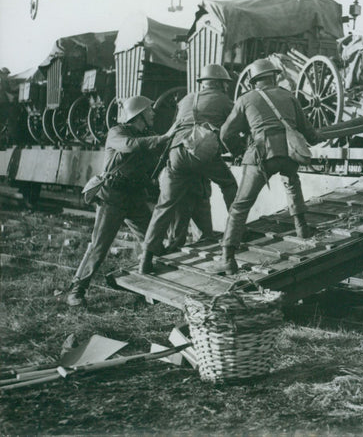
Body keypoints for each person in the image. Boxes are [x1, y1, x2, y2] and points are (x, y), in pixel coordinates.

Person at [214, 58, 319, 275]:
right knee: (291, 182)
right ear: (274, 77)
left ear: (253, 81)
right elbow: (308, 132)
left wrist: (238, 152)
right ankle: (302, 229)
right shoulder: (288, 96)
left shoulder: (246, 99)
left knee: (240, 205)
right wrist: (314, 137)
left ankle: (227, 257)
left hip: (261, 155)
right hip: (288, 153)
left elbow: (225, 133)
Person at [66, 96, 170, 306]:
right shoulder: (117, 132)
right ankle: (77, 289)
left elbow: (157, 150)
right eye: (149, 110)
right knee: (99, 246)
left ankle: (148, 282)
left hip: (135, 196)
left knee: (153, 240)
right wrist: (164, 137)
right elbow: (130, 146)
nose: (153, 113)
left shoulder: (147, 135)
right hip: (112, 196)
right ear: (138, 115)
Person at [138, 63, 238, 274]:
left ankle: (145, 258)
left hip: (177, 152)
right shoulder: (223, 100)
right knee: (229, 184)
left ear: (203, 83)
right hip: (202, 152)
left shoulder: (186, 99)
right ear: (220, 83)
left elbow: (177, 126)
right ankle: (237, 231)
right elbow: (234, 128)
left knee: (164, 206)